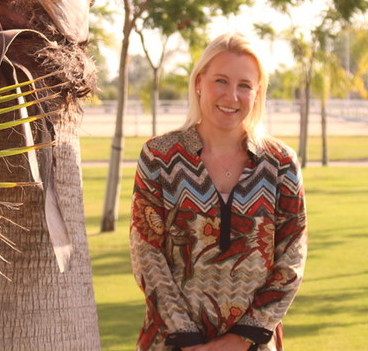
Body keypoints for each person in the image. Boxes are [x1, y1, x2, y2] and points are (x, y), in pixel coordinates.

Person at [130, 32, 307, 351]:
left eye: (244, 85)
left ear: (258, 93)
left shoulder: (280, 163)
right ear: (199, 82)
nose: (232, 96)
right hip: (171, 343)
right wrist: (187, 337)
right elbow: (146, 253)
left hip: (254, 345)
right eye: (221, 81)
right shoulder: (159, 156)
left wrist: (240, 339)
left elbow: (292, 257)